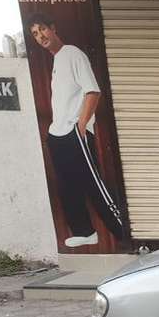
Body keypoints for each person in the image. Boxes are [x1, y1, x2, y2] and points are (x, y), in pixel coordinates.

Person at [28, 13, 125, 248]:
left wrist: (81, 125)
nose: (40, 36)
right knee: (68, 186)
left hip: (74, 132)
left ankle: (123, 230)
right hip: (57, 134)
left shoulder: (72, 54)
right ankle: (84, 231)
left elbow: (93, 91)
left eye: (42, 29)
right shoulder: (57, 60)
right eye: (35, 34)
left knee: (94, 184)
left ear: (53, 27)